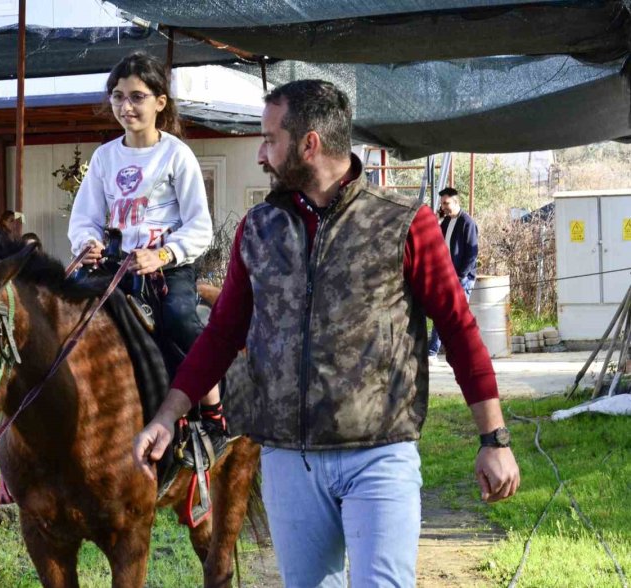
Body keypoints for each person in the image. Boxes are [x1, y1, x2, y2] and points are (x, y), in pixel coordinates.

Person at [132, 79, 520, 587]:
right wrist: (168, 415)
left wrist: (494, 438)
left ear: (309, 143)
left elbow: (459, 328)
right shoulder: (259, 228)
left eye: (270, 138)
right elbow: (223, 333)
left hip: (379, 452)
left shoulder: (405, 224)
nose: (261, 153)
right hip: (290, 461)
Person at [67, 52, 228, 453]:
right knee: (66, 320)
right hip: (115, 264)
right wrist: (87, 243)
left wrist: (164, 255)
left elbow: (199, 226)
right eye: (118, 97)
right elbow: (85, 217)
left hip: (167, 267)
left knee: (180, 324)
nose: (126, 106)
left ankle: (213, 414)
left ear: (160, 102)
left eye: (137, 97)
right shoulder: (104, 157)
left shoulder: (176, 155)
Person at [429, 187, 479, 360]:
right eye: (442, 203)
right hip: (446, 276)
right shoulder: (446, 221)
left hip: (461, 278)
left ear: (456, 202)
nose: (443, 206)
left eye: (446, 203)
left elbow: (472, 253)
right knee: (441, 313)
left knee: (457, 315)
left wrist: (461, 275)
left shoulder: (467, 222)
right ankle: (432, 352)